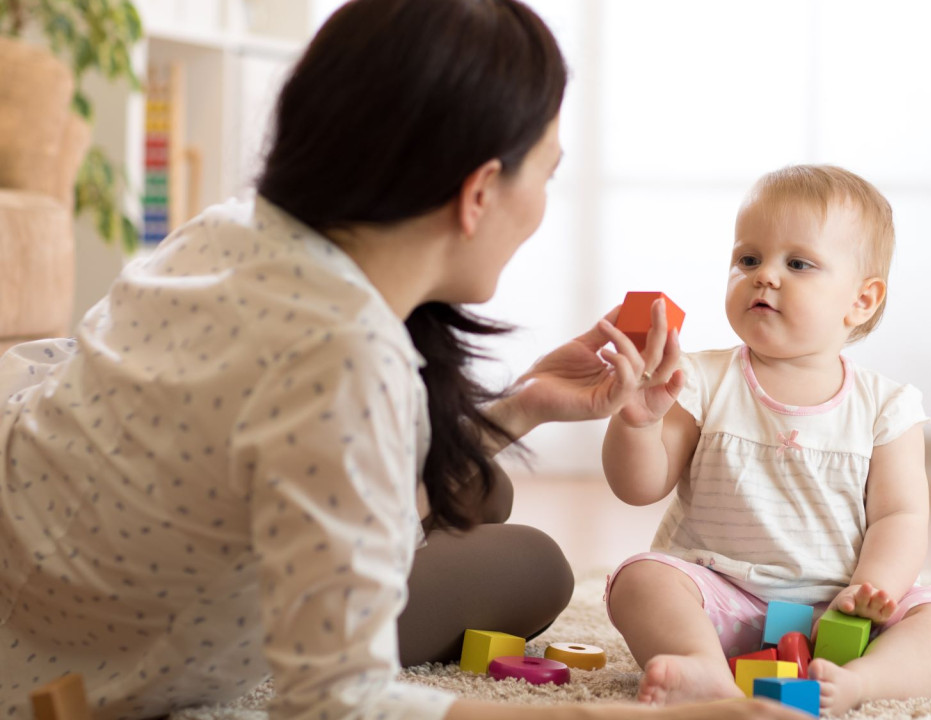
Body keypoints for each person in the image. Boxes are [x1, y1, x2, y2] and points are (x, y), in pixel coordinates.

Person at [0, 1, 805, 719]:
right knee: (531, 565)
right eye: (547, 172)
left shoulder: (235, 227)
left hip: (45, 516)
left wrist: (523, 405)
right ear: (479, 191)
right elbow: (338, 703)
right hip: (84, 653)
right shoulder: (346, 360)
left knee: (480, 484)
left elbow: (308, 444)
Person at [601, 165, 931, 715]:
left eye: (797, 263)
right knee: (641, 578)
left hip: (840, 610)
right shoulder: (701, 378)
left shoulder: (887, 405)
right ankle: (701, 664)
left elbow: (901, 517)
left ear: (862, 300)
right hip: (722, 601)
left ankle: (861, 683)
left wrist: (872, 590)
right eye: (748, 259)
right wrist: (635, 422)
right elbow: (640, 486)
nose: (764, 276)